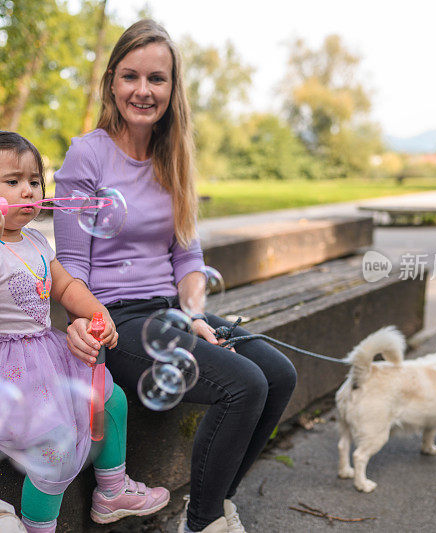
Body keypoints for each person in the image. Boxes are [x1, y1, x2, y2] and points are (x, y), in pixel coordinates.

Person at [53, 20, 298, 533]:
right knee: (243, 383)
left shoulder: (176, 154)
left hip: (171, 312)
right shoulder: (87, 154)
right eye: (131, 77)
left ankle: (215, 501)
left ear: (172, 87)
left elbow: (189, 256)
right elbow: (70, 267)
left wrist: (194, 317)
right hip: (117, 323)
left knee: (278, 373)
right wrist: (87, 320)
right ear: (112, 83)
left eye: (157, 79)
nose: (143, 91)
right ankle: (203, 524)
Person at [0, 130, 170, 533]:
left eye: (34, 180)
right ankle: (37, 527)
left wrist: (97, 312)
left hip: (44, 358)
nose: (28, 191)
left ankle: (111, 492)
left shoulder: (36, 241)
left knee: (111, 399)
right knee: (55, 447)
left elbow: (64, 286)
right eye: (12, 182)